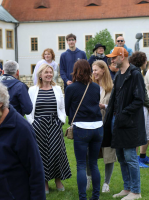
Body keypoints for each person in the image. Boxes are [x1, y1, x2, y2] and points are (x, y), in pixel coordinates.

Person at [103, 47, 147, 200]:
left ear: (122, 56)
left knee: (130, 157)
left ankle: (136, 191)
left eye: (114, 57)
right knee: (121, 156)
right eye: (111, 58)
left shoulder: (135, 75)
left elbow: (139, 99)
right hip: (118, 121)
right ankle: (127, 188)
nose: (112, 60)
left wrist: (123, 114)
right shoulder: (118, 76)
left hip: (130, 122)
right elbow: (115, 100)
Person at [26, 64, 71, 194]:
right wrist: (33, 123)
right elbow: (29, 110)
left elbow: (62, 108)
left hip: (54, 125)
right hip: (38, 126)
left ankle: (58, 180)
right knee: (41, 154)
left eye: (51, 72)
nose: (49, 74)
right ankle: (44, 182)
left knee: (57, 152)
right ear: (40, 75)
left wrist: (61, 120)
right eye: (46, 72)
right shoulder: (32, 90)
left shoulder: (57, 89)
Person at [65, 59, 103, 200]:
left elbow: (68, 108)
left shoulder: (71, 88)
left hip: (81, 128)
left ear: (75, 71)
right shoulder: (95, 87)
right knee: (93, 164)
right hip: (98, 127)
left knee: (81, 164)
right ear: (89, 70)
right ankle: (96, 196)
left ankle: (82, 197)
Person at [92, 60, 117, 193]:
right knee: (90, 154)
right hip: (93, 124)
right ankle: (89, 178)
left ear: (103, 70)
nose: (94, 73)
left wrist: (104, 106)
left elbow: (115, 107)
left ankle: (106, 183)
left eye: (96, 70)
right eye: (93, 70)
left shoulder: (111, 87)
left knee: (109, 154)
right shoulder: (90, 86)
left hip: (107, 125)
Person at [129, 51, 149, 168]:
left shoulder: (134, 72)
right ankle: (136, 160)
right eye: (145, 60)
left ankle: (138, 158)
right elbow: (143, 95)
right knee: (138, 134)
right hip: (139, 108)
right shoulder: (136, 74)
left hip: (138, 107)